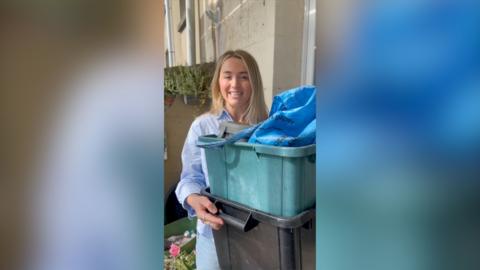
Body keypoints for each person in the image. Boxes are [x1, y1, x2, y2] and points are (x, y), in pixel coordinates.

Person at [175, 50, 268, 269]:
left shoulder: (268, 128)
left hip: (259, 234)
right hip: (213, 234)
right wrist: (194, 200)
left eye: (244, 76)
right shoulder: (202, 127)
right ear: (219, 81)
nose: (235, 83)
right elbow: (190, 177)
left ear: (254, 82)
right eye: (228, 76)